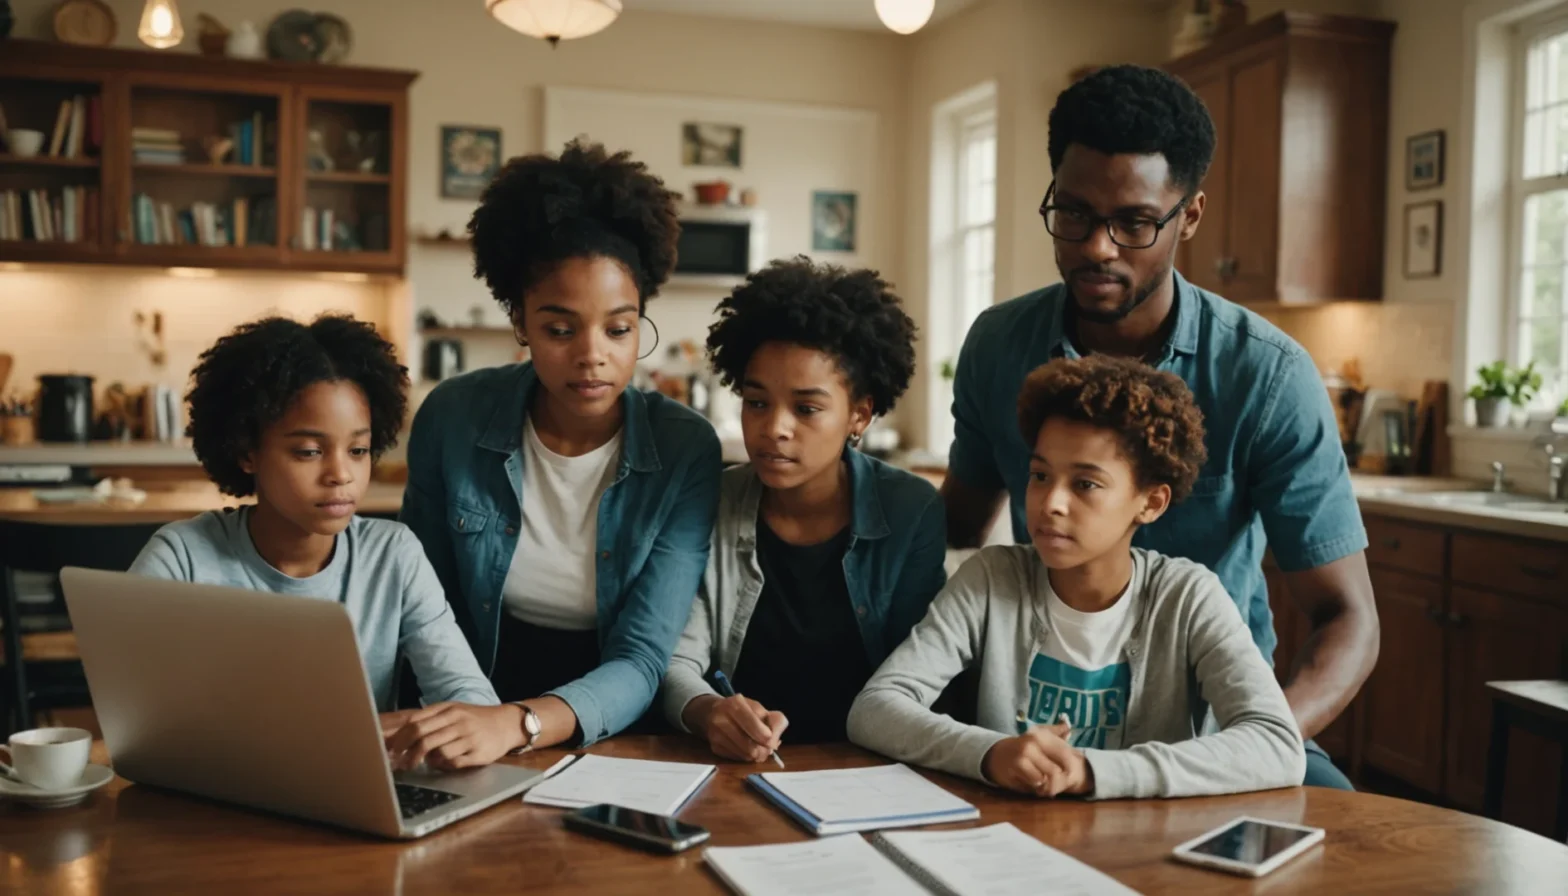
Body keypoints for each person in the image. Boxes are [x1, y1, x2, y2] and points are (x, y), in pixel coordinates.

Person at [940, 65, 1376, 789]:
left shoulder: (1265, 376)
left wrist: (1260, 743)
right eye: (1074, 213)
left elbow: (1348, 617)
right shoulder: (998, 346)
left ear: (1190, 216)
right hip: (1040, 723)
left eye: (1135, 223)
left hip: (1215, 730)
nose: (1097, 248)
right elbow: (954, 529)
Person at [849, 355, 1305, 798]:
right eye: (1040, 475)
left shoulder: (1189, 597)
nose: (1051, 503)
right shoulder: (991, 580)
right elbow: (875, 709)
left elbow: (1277, 744)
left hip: (1145, 849)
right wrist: (991, 753)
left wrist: (1092, 772)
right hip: (1010, 843)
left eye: (1085, 484)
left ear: (1151, 502)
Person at [400, 139, 722, 754]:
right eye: (558, 329)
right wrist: (468, 723)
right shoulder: (454, 416)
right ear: (519, 321)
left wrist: (518, 725)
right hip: (464, 709)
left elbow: (644, 656)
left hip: (614, 726)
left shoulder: (685, 448)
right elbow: (424, 611)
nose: (592, 354)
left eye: (619, 329)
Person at [130, 315, 517, 771]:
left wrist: (455, 727)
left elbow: (471, 699)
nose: (341, 474)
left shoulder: (393, 555)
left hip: (356, 797)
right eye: (309, 452)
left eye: (358, 450)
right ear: (246, 451)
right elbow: (141, 725)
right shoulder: (181, 560)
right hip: (220, 802)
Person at [661, 257, 947, 762]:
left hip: (867, 768)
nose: (775, 428)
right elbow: (676, 656)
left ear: (860, 413)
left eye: (807, 408)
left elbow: (921, 673)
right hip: (732, 767)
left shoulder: (910, 510)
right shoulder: (712, 499)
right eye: (756, 402)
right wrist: (708, 711)